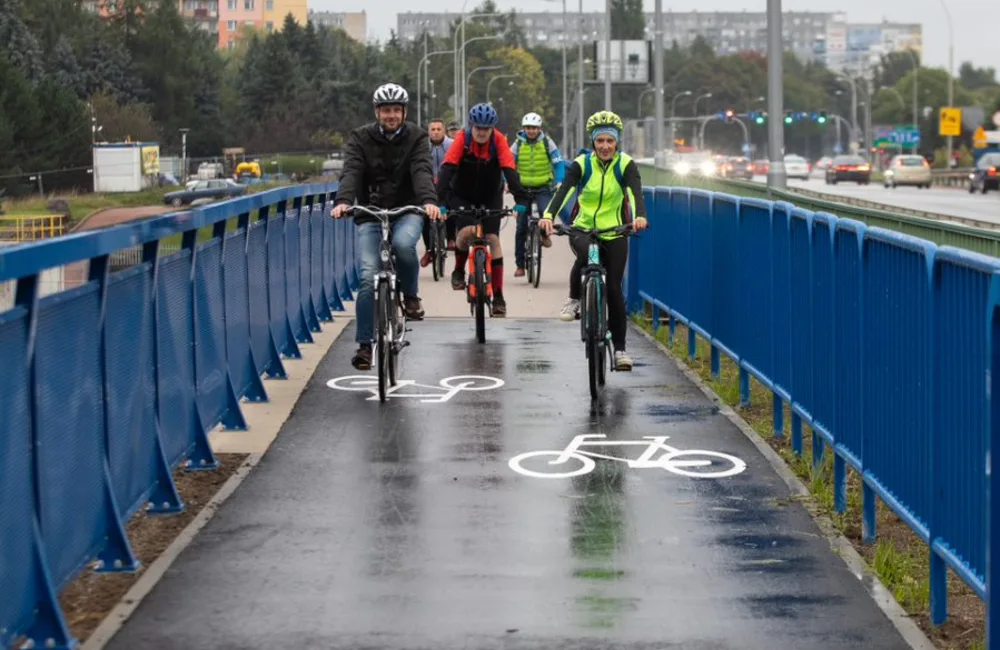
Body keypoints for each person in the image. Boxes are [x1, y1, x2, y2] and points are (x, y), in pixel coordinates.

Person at [330, 82, 441, 371]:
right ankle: (365, 346)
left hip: (407, 209)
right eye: (385, 110)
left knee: (403, 245)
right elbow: (351, 171)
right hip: (371, 211)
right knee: (368, 277)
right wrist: (344, 201)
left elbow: (422, 170)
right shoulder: (360, 138)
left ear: (404, 112)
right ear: (377, 112)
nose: (391, 115)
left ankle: (411, 296)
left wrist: (428, 201)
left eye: (395, 110)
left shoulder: (417, 137)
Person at [539, 110, 649, 371]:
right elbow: (564, 191)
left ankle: (620, 350)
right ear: (593, 142)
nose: (605, 146)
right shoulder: (582, 164)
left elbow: (635, 193)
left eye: (610, 141)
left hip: (615, 230)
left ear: (617, 141)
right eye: (600, 141)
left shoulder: (625, 164)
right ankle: (574, 298)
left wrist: (640, 217)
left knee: (614, 289)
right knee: (586, 253)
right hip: (584, 228)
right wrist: (548, 216)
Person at [436, 102, 530, 317]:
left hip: (491, 196)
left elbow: (510, 170)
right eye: (478, 128)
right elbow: (447, 169)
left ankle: (498, 297)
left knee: (492, 239)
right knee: (464, 234)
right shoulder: (462, 139)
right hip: (462, 194)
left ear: (492, 128)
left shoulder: (499, 141)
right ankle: (458, 270)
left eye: (486, 129)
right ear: (472, 126)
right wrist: (441, 201)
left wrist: (520, 200)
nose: (481, 132)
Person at [509, 112, 565, 277]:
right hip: (523, 189)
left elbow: (558, 163)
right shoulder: (518, 144)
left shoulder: (547, 142)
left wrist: (559, 180)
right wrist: (507, 181)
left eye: (534, 128)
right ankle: (520, 265)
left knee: (546, 214)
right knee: (521, 227)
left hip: (543, 187)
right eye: (528, 128)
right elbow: (508, 163)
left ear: (539, 128)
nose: (531, 131)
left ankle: (544, 234)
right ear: (523, 128)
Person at [420, 118, 455, 268]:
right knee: (425, 216)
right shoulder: (422, 146)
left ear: (444, 131)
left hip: (448, 185)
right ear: (428, 132)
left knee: (451, 208)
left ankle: (451, 238)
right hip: (428, 186)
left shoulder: (452, 145)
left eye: (438, 129)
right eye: (432, 129)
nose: (435, 132)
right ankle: (429, 250)